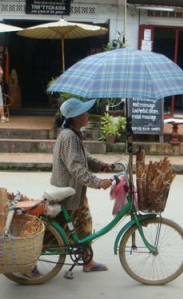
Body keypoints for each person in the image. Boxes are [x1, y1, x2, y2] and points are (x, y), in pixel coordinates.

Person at [50, 98, 113, 272]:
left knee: (83, 225)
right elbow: (75, 167)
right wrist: (98, 182)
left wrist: (102, 165)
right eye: (84, 112)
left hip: (75, 192)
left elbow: (84, 158)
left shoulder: (73, 133)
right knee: (57, 230)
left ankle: (87, 261)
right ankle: (29, 260)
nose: (87, 115)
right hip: (68, 192)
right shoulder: (69, 136)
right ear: (75, 116)